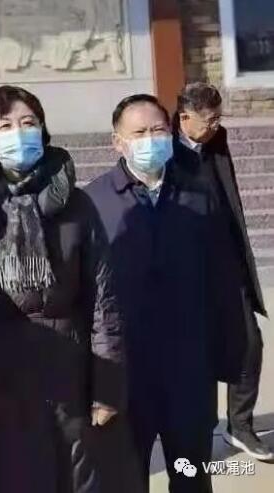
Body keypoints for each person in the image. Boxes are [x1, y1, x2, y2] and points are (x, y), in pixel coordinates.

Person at [0, 85, 126, 493]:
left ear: (43, 131)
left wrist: (107, 387)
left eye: (29, 123)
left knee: (70, 477)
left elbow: (103, 300)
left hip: (67, 371)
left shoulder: (77, 205)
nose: (19, 133)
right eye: (6, 126)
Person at [84, 94, 246, 493]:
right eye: (139, 132)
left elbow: (224, 282)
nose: (150, 139)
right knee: (124, 480)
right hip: (125, 375)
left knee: (191, 476)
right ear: (117, 142)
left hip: (189, 372)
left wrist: (229, 359)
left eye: (158, 130)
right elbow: (82, 296)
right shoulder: (93, 201)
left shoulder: (199, 193)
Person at [173, 82, 273, 462]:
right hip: (187, 272)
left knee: (249, 344)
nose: (215, 126)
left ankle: (240, 426)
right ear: (184, 117)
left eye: (218, 118)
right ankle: (194, 429)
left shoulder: (216, 140)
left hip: (227, 263)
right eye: (209, 120)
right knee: (194, 353)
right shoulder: (163, 150)